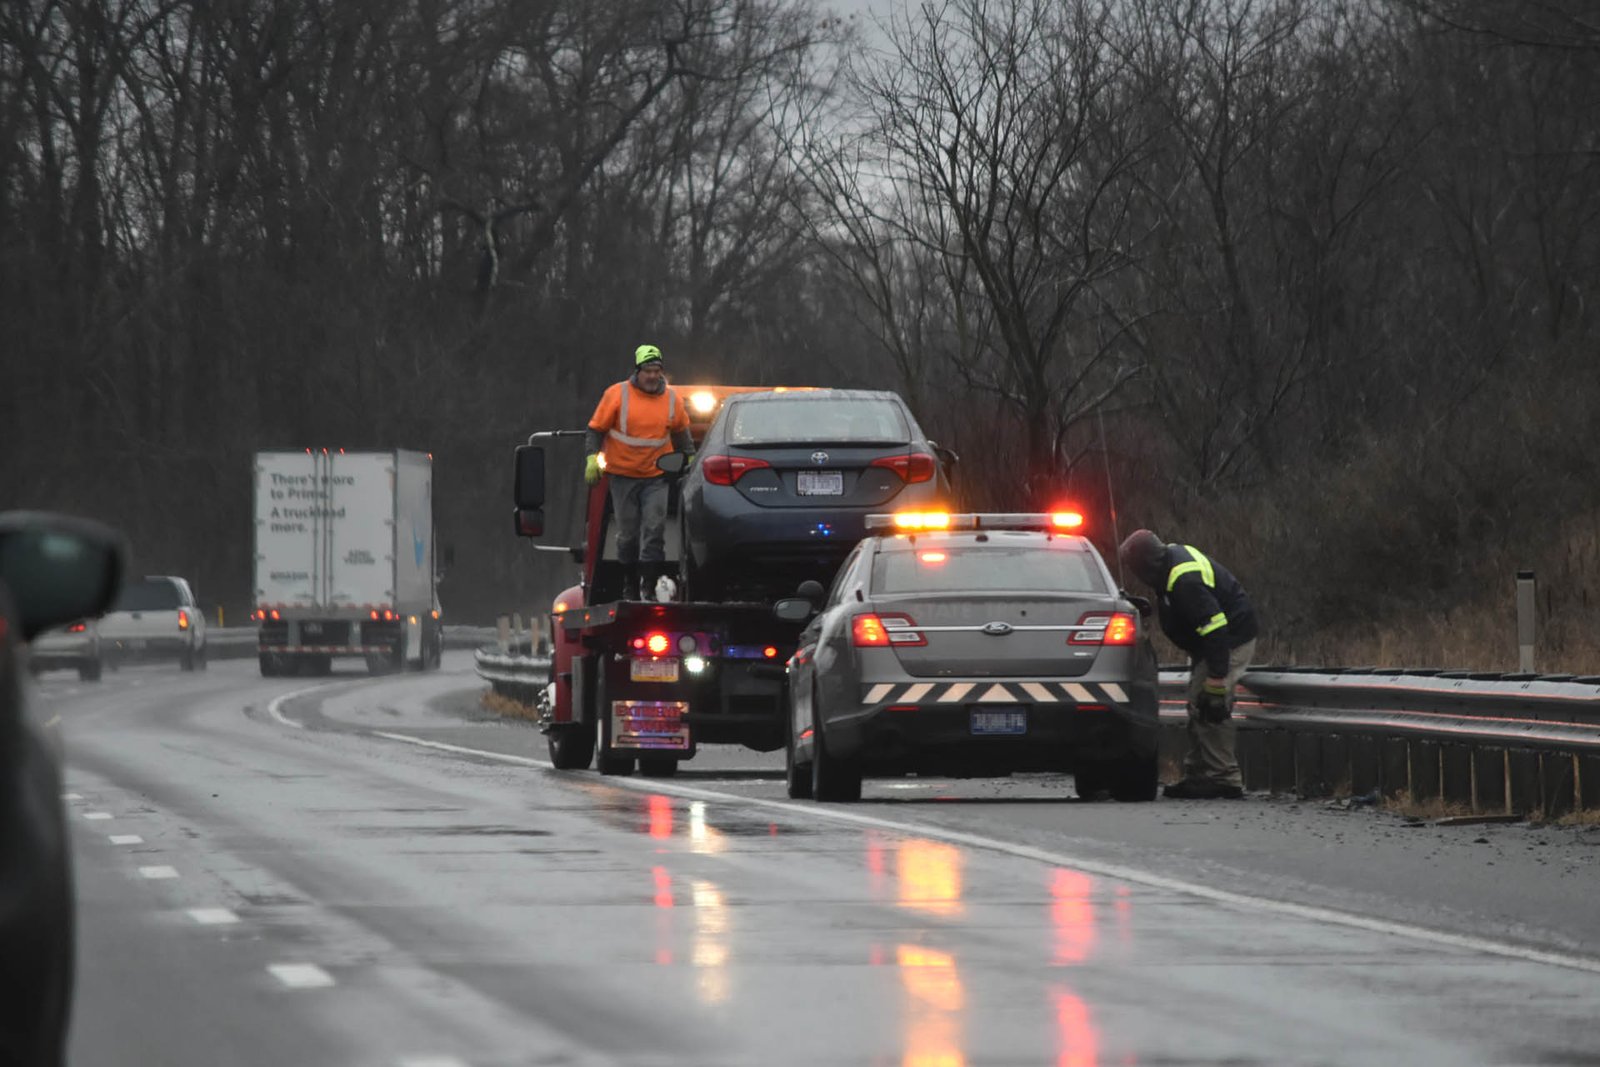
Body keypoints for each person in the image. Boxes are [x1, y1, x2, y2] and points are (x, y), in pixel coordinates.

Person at [1118, 529, 1259, 799]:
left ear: (1146, 564)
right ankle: (1199, 774)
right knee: (1198, 702)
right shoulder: (1168, 562)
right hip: (1212, 644)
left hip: (1229, 641)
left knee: (1210, 704)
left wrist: (1217, 678)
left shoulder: (1184, 580)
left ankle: (1223, 777)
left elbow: (1215, 628)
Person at [585, 344, 693, 600]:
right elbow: (595, 430)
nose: (653, 376)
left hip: (655, 478)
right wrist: (592, 458)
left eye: (657, 370)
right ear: (637, 371)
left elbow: (682, 433)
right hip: (622, 477)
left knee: (654, 530)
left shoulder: (672, 399)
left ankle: (649, 585)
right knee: (627, 535)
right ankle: (630, 582)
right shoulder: (616, 394)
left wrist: (691, 458)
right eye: (648, 370)